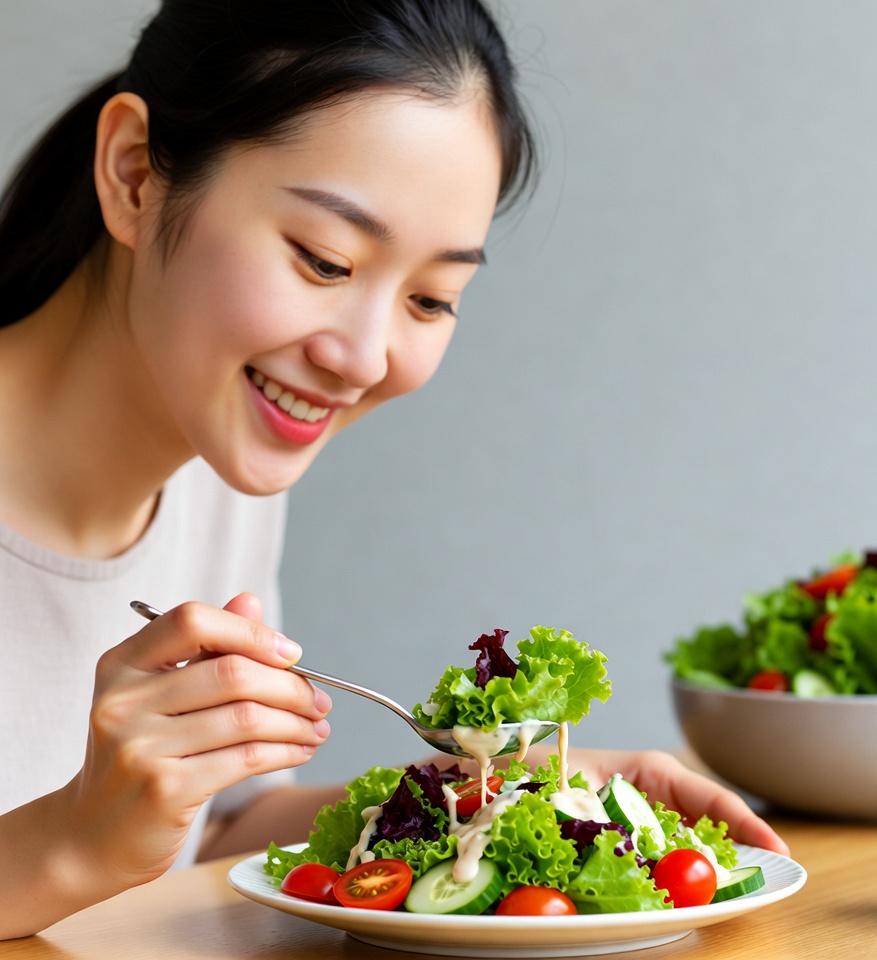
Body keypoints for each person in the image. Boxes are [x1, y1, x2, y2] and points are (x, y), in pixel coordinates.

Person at [0, 0, 786, 939]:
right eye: (325, 260)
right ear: (134, 173)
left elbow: (210, 829)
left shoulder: (215, 467)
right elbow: (92, 847)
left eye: (430, 297)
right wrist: (65, 847)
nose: (365, 358)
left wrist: (500, 791)